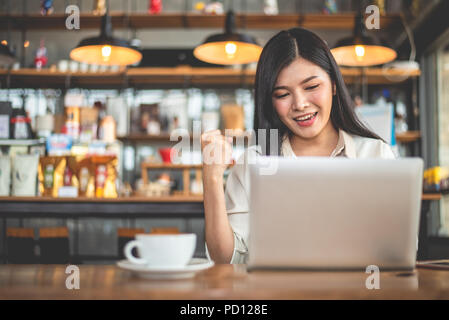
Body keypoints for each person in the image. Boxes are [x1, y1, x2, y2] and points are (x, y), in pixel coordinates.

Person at [200, 27, 396, 264]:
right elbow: (225, 259)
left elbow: (397, 249)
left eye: (312, 87)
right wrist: (211, 177)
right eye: (283, 94)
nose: (300, 104)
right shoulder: (253, 162)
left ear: (334, 85)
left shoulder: (375, 155)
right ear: (270, 102)